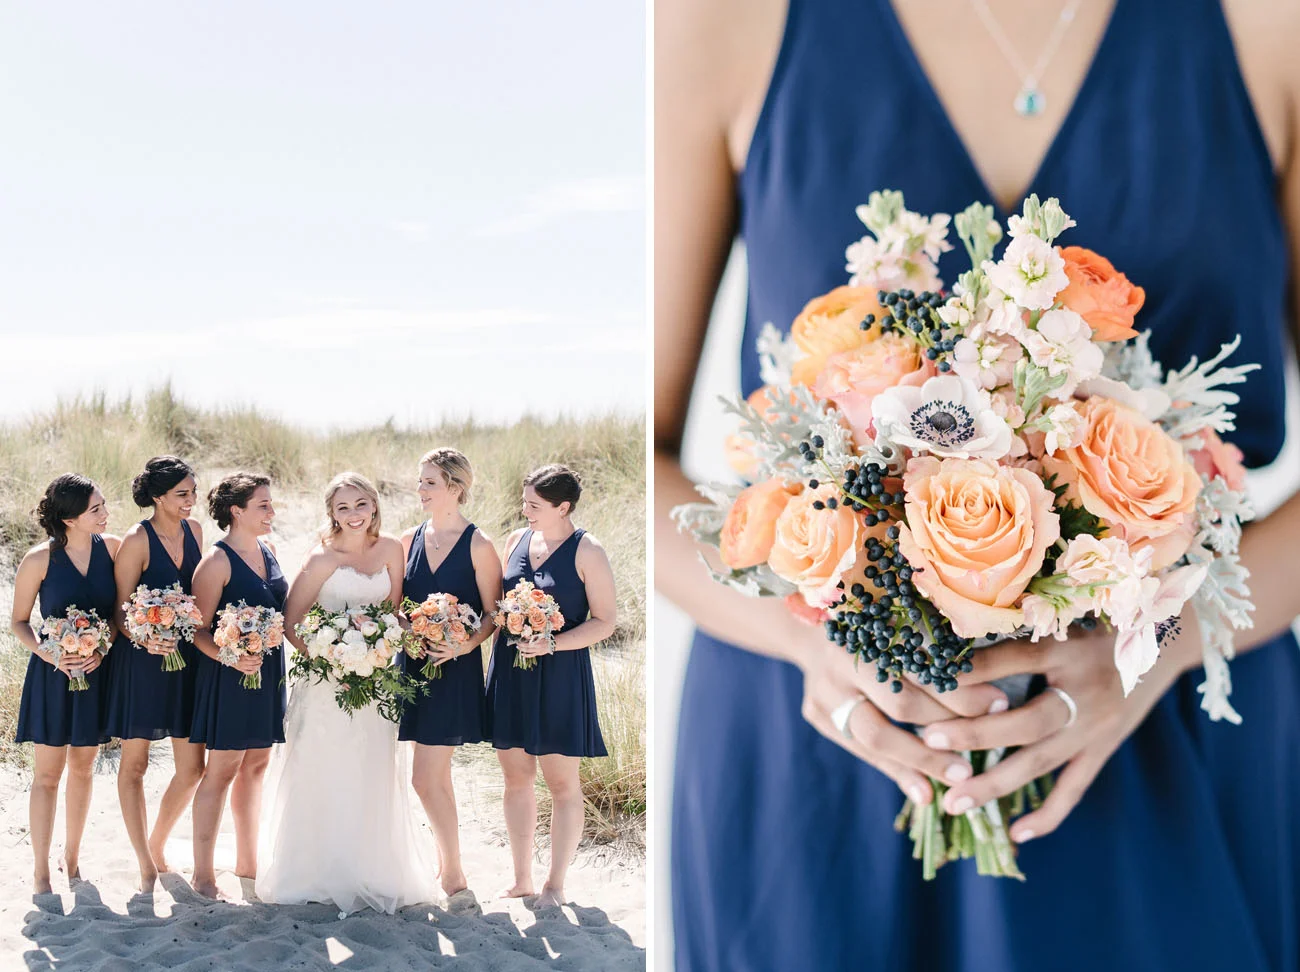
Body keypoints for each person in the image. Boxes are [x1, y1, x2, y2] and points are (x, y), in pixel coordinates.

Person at [655, 0, 1300, 968]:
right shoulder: (720, 20)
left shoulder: (1268, 26)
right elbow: (625, 467)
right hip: (822, 787)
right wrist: (812, 649)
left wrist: (1163, 643)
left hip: (1173, 776)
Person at [257, 472, 437, 913]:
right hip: (323, 685)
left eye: (361, 505)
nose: (354, 515)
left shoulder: (392, 548)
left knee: (370, 768)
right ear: (331, 513)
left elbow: (394, 614)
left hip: (375, 683)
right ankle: (315, 870)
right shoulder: (321, 558)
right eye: (343, 507)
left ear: (374, 505)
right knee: (324, 768)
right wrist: (329, 658)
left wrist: (379, 651)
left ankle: (371, 870)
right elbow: (292, 622)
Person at [486, 464, 615, 907]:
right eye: (524, 502)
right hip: (512, 671)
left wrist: (552, 643)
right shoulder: (515, 542)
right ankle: (521, 878)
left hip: (560, 674)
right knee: (515, 776)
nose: (525, 511)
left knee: (561, 783)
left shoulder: (588, 551)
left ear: (564, 507)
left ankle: (555, 884)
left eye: (534, 505)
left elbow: (605, 622)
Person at [399, 449, 501, 899]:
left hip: (454, 672)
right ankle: (449, 866)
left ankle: (454, 869)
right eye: (420, 482)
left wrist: (463, 643)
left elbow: (493, 616)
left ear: (455, 488)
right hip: (413, 669)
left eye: (430, 483)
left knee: (426, 777)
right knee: (434, 777)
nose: (420, 490)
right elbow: (396, 607)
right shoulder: (407, 540)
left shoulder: (479, 545)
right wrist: (407, 630)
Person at [10, 475, 118, 893]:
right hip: (52, 676)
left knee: (85, 768)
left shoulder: (111, 549)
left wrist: (102, 648)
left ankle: (71, 858)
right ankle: (40, 869)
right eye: (96, 509)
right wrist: (50, 653)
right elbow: (19, 623)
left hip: (95, 671)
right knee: (47, 775)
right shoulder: (39, 559)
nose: (105, 514)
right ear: (70, 517)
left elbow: (117, 613)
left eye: (104, 505)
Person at [106, 456, 205, 890]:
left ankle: (157, 841)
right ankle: (146, 862)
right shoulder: (137, 540)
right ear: (159, 496)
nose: (191, 501)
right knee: (135, 765)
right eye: (183, 494)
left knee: (192, 769)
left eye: (193, 492)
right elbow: (119, 611)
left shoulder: (196, 531)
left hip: (188, 664)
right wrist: (145, 638)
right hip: (142, 664)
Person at [188, 473, 287, 898]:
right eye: (262, 505)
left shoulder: (270, 550)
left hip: (267, 674)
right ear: (237, 511)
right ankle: (203, 874)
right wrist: (232, 655)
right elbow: (196, 631)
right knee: (222, 770)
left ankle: (247, 864)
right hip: (229, 677)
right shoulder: (216, 562)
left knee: (257, 767)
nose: (271, 511)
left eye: (270, 504)